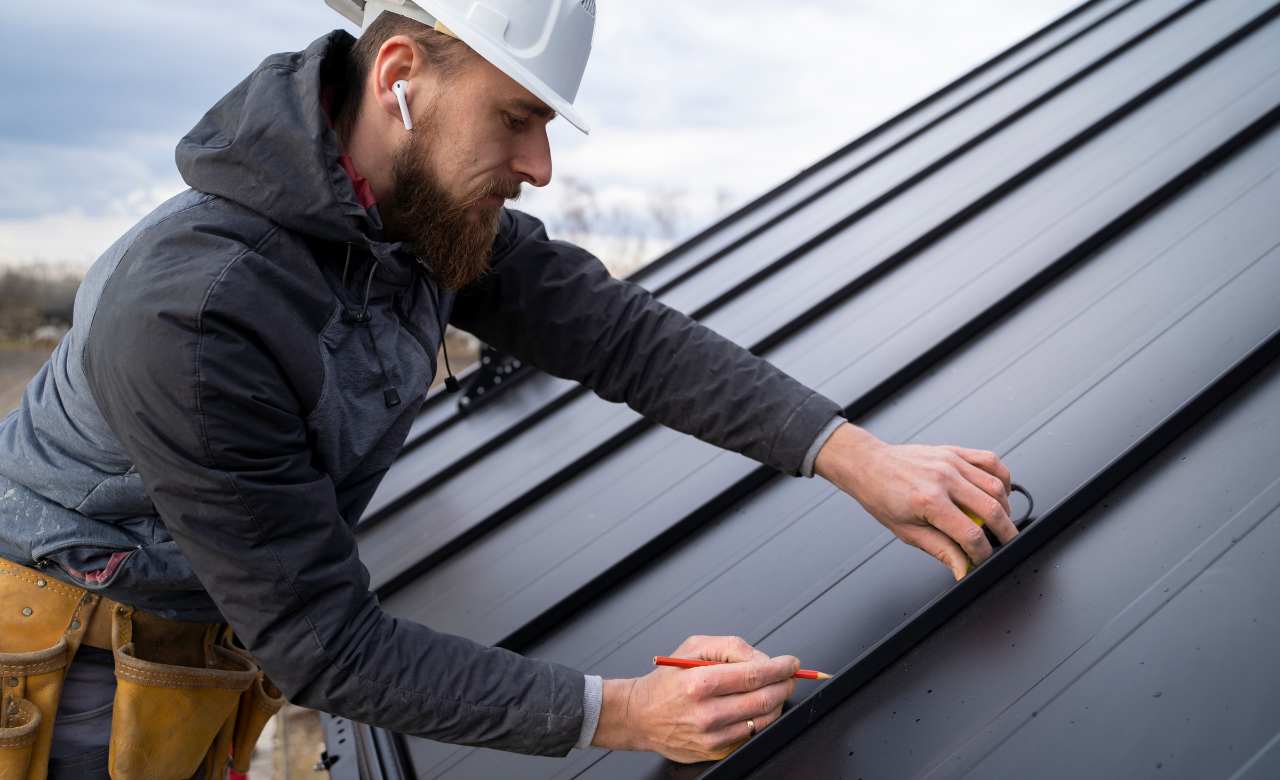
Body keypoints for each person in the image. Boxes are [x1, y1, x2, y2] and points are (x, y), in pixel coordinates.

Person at [0, 1, 1017, 777]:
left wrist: (853, 455)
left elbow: (617, 335)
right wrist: (631, 714)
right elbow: (327, 643)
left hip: (207, 643)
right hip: (69, 671)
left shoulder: (408, 214)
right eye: (517, 117)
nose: (538, 164)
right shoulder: (197, 312)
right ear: (399, 77)